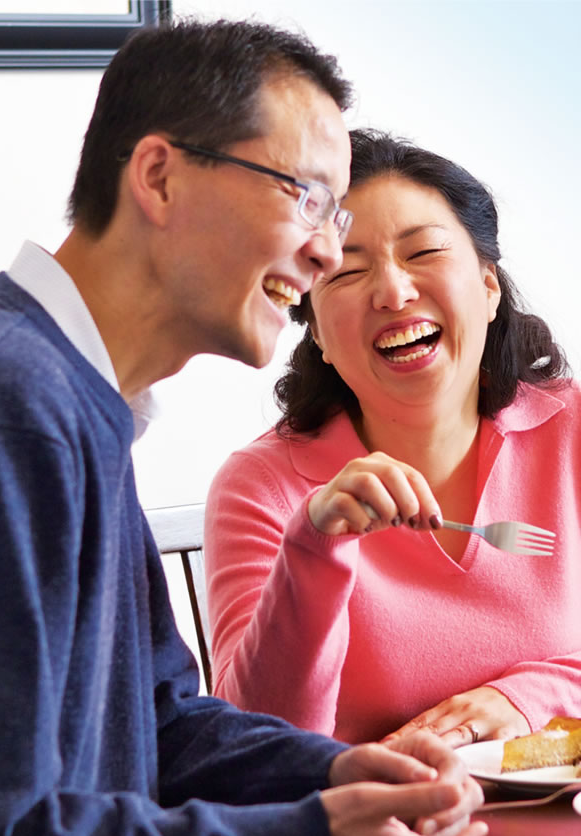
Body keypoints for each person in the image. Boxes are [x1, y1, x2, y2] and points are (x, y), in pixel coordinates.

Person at [0, 16, 571, 836]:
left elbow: (168, 719)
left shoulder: (76, 399)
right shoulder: (14, 405)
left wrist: (338, 774)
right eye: (309, 199)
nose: (328, 250)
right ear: (159, 177)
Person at [205, 127, 581, 753]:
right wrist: (315, 542)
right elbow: (255, 743)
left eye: (423, 253)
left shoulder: (570, 433)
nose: (393, 291)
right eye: (346, 270)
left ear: (488, 287)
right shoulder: (260, 488)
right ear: (317, 334)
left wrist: (530, 697)